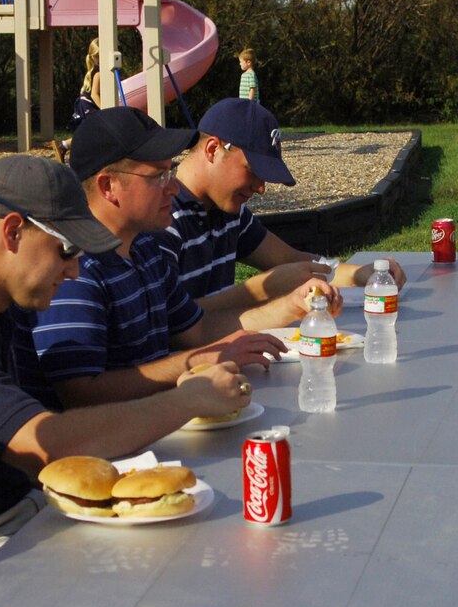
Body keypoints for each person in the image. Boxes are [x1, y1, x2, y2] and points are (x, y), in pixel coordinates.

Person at [0, 155, 253, 522]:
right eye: (67, 249)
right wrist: (188, 399)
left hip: (17, 505)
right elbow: (47, 444)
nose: (76, 271)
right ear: (12, 232)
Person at [33, 106, 325, 406]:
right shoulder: (73, 268)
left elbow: (196, 331)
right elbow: (80, 392)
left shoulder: (144, 249)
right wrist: (202, 360)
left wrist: (289, 306)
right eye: (159, 176)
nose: (173, 187)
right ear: (109, 186)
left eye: (171, 171)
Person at [167, 98, 406, 308]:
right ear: (213, 150)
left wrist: (360, 273)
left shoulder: (229, 212)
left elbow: (289, 259)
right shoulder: (161, 216)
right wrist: (262, 289)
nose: (261, 188)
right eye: (253, 171)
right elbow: (173, 322)